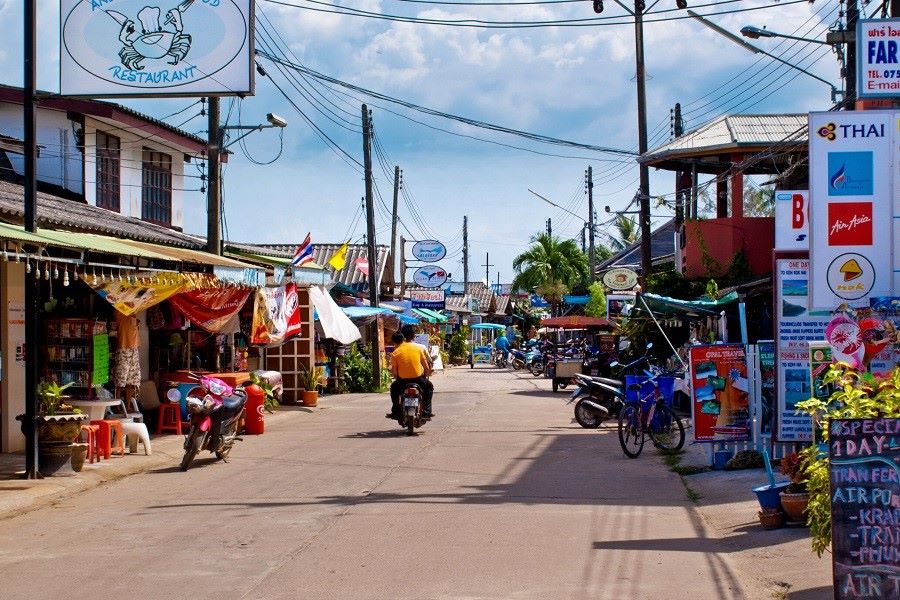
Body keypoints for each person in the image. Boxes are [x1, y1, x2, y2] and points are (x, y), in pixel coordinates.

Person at [389, 327, 434, 418]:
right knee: (429, 387)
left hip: (402, 381)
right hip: (418, 380)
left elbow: (394, 372)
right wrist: (426, 374)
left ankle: (396, 412)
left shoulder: (395, 353)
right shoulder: (419, 348)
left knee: (393, 388)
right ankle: (426, 411)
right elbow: (426, 367)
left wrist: (397, 378)